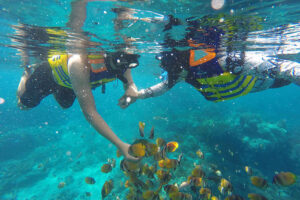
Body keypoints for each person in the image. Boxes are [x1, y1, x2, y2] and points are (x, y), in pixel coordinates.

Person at [16, 0, 141, 161]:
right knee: (24, 103)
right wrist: (120, 144)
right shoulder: (79, 62)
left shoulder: (124, 58)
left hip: (72, 84)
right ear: (106, 55)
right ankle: (26, 70)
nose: (122, 70)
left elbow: (129, 83)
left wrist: (132, 89)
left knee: (65, 104)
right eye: (118, 67)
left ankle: (61, 88)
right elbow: (90, 112)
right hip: (50, 76)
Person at [117, 14, 300, 107]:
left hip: (269, 82)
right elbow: (162, 87)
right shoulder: (181, 71)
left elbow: (283, 68)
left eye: (167, 64)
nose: (167, 72)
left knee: (281, 71)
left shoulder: (227, 60)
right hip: (249, 85)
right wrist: (138, 95)